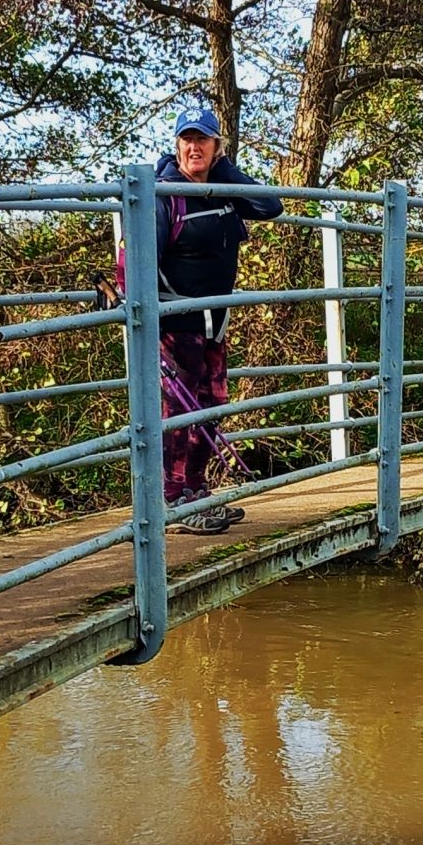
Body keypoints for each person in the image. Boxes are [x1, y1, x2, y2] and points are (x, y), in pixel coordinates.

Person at [152, 106, 283, 534]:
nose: (195, 148)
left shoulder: (224, 190)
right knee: (177, 414)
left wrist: (226, 170)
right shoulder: (163, 194)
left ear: (216, 146)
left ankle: (196, 491)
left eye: (203, 140)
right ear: (177, 145)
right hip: (176, 324)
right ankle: (173, 503)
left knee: (211, 408)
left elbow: (270, 205)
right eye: (187, 140)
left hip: (214, 324)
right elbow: (136, 261)